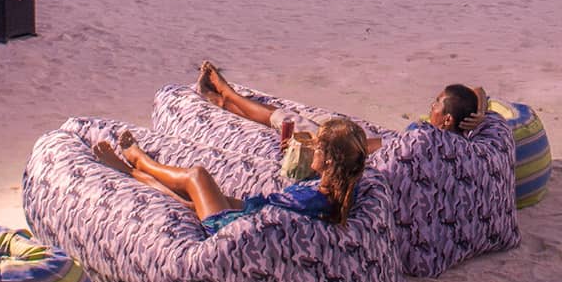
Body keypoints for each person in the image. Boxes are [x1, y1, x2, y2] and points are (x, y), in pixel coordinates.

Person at [91, 120, 368, 234]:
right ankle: (135, 171)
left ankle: (138, 161)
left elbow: (267, 214)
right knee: (189, 200)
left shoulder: (312, 199)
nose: (311, 149)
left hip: (230, 227)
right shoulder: (342, 189)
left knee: (196, 176)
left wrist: (234, 205)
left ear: (330, 160)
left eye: (317, 147)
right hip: (250, 214)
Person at [195, 61, 489, 151]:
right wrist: (481, 112)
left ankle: (227, 94)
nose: (430, 106)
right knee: (303, 117)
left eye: (436, 104)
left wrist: (329, 143)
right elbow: (478, 90)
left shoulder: (425, 141)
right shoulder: (469, 140)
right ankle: (226, 99)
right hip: (377, 140)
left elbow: (372, 149)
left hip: (360, 147)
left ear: (447, 119)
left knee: (286, 119)